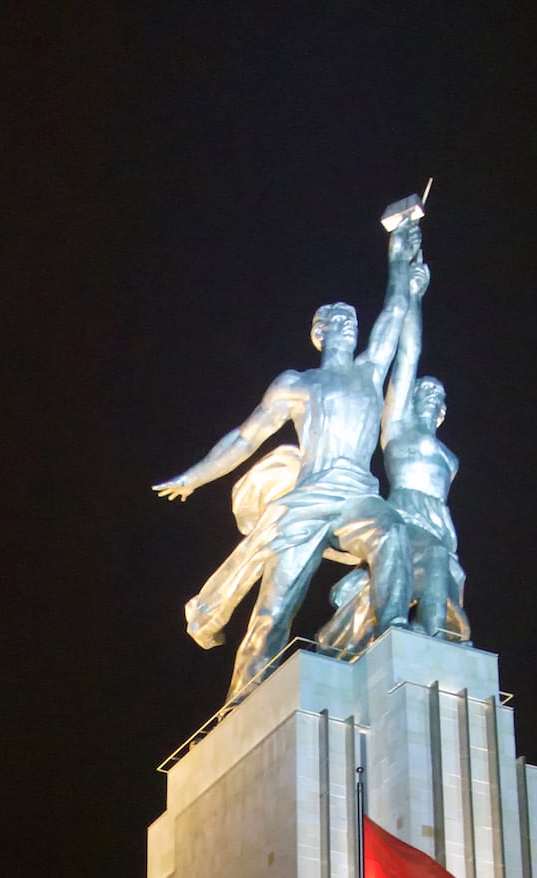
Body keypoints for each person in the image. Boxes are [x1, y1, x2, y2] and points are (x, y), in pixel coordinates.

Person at [155, 217, 420, 706]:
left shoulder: (369, 371)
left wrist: (400, 254)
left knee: (391, 532)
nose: (344, 328)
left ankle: (394, 634)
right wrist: (195, 477)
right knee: (274, 609)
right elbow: (243, 437)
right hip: (307, 501)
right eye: (332, 323)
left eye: (350, 323)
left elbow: (397, 309)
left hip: (356, 498)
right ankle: (241, 701)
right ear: (317, 334)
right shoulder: (296, 384)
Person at [318, 258, 470, 654]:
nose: (432, 396)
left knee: (443, 564)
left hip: (439, 524)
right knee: (434, 558)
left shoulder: (449, 457)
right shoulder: (399, 428)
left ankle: (434, 644)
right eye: (425, 390)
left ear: (444, 410)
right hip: (405, 515)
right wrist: (415, 296)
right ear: (412, 398)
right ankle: (434, 643)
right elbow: (409, 353)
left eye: (439, 395)